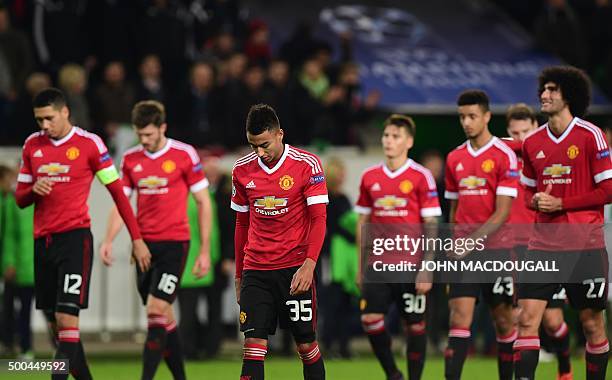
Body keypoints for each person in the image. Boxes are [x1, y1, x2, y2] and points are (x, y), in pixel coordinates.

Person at [14, 88, 150, 380]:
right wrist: (31, 190)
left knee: (66, 319)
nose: (44, 126)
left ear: (65, 112)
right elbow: (20, 198)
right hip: (43, 243)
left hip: (75, 240)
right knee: (57, 328)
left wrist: (136, 239)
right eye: (39, 120)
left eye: (49, 118)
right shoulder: (32, 146)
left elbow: (118, 194)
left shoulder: (89, 144)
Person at [99, 100, 212, 380]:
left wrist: (205, 250)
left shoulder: (185, 154)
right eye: (140, 135)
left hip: (175, 244)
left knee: (156, 309)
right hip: (143, 247)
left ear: (163, 127)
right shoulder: (130, 159)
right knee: (164, 318)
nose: (145, 140)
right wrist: (108, 239)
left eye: (149, 134)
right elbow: (121, 204)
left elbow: (203, 202)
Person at [515, 66, 611, 380]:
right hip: (543, 243)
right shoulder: (532, 142)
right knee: (527, 320)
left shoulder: (590, 135)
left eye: (552, 89)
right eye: (544, 89)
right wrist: (534, 200)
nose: (544, 95)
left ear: (568, 94)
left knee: (592, 324)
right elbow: (528, 187)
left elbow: (608, 189)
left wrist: (562, 203)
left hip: (585, 244)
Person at [232, 104, 328, 380]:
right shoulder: (242, 170)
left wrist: (309, 265)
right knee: (252, 347)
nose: (259, 152)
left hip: (294, 270)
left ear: (280, 134)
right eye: (253, 146)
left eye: (264, 145)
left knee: (306, 345)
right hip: (256, 271)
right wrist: (240, 275)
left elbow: (319, 219)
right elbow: (241, 224)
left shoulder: (306, 165)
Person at [354, 114, 441, 380]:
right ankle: (393, 373)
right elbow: (362, 223)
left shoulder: (421, 176)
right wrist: (361, 267)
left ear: (409, 141)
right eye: (386, 136)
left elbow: (432, 225)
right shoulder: (370, 177)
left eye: (396, 136)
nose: (389, 141)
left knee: (414, 327)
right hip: (378, 265)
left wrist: (427, 267)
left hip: (410, 265)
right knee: (370, 320)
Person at [443, 90, 518, 380]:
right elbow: (454, 207)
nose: (466, 122)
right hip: (462, 253)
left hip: (497, 251)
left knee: (503, 322)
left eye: (472, 116)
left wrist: (469, 243)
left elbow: (502, 213)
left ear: (487, 116)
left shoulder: (504, 155)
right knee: (459, 318)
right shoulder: (454, 158)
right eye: (462, 116)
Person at [503, 103, 573, 379]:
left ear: (536, 128)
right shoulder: (503, 159)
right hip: (515, 246)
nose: (520, 138)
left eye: (526, 131)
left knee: (553, 320)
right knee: (521, 317)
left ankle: (565, 367)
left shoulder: (550, 156)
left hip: (548, 244)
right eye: (514, 133)